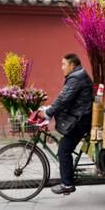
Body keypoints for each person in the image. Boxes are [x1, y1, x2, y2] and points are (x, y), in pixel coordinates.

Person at [38, 53, 94, 195]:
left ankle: (67, 184)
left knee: (64, 150)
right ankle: (67, 177)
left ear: (72, 65)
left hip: (81, 120)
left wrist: (48, 113)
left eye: (64, 64)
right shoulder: (77, 76)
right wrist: (50, 109)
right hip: (79, 117)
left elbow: (63, 98)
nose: (62, 67)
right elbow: (64, 98)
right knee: (65, 147)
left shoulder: (76, 77)